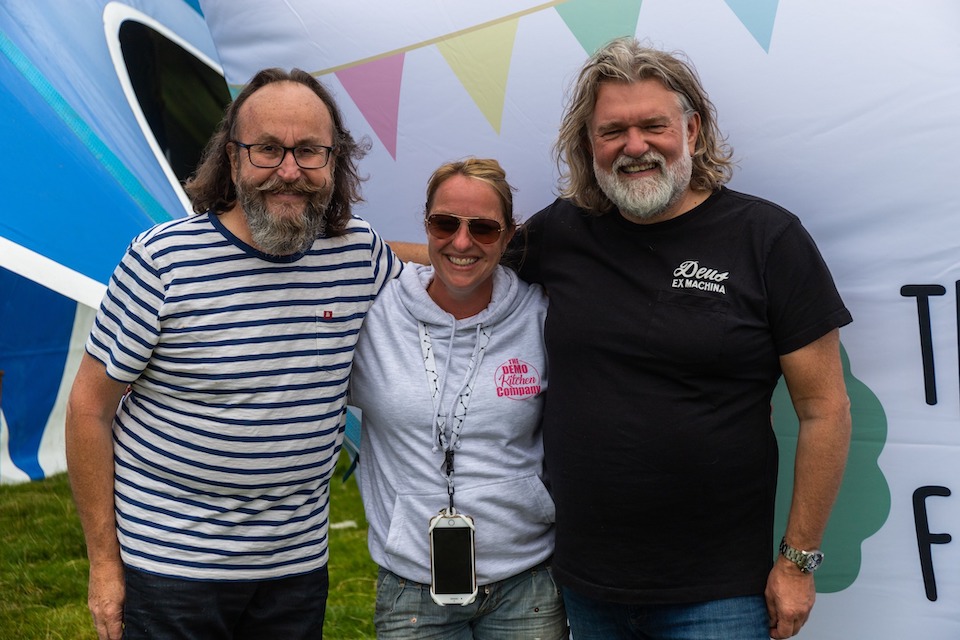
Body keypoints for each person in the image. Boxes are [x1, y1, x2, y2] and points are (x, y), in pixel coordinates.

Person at [506, 37, 853, 639]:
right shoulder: (561, 232)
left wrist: (797, 563)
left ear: (691, 130)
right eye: (612, 131)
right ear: (589, 144)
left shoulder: (768, 239)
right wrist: (357, 247)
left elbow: (826, 409)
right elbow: (463, 260)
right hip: (586, 585)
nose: (634, 146)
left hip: (719, 594)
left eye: (654, 126)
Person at [65, 67, 401, 640]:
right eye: (267, 149)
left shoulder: (356, 254)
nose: (289, 170)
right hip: (168, 564)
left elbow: (437, 269)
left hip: (296, 567)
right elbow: (87, 409)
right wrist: (103, 565)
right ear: (233, 156)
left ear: (334, 159)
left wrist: (493, 243)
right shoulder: (163, 262)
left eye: (309, 151)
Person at [348, 158, 566, 639]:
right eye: (445, 224)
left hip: (526, 580)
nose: (462, 243)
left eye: (483, 228)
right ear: (426, 225)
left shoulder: (540, 315)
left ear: (509, 237)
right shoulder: (374, 315)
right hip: (412, 584)